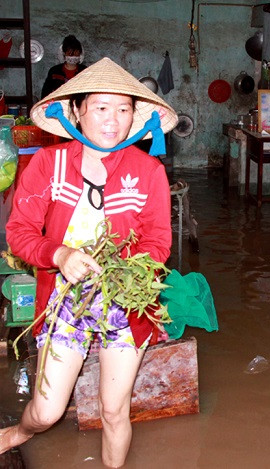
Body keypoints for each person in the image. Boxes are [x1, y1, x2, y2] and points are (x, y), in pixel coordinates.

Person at [0, 57, 178, 467]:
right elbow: (20, 232)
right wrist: (59, 254)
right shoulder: (50, 164)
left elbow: (158, 242)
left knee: (114, 411)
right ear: (77, 111)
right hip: (64, 300)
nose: (113, 120)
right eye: (100, 107)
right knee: (47, 412)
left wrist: (126, 270)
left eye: (123, 109)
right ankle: (17, 433)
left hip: (125, 303)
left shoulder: (148, 171)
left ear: (135, 117)